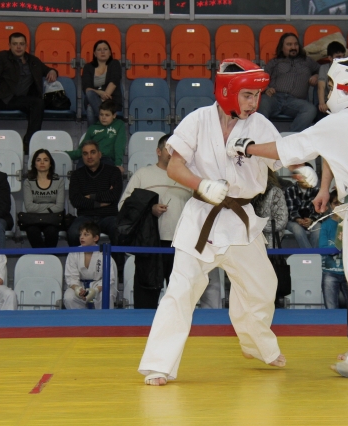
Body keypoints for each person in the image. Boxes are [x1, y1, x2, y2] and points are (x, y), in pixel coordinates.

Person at [227, 56, 348, 392]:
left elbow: (288, 149)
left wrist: (247, 147)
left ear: (345, 87)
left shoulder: (338, 123)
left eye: (332, 85)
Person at [138, 58, 306, 386]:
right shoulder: (197, 120)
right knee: (180, 290)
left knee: (263, 288)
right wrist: (202, 185)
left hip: (241, 220)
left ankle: (256, 345)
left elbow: (282, 155)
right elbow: (174, 166)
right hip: (202, 218)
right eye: (247, 95)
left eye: (257, 95)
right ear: (227, 91)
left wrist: (302, 171)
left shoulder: (259, 124)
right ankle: (159, 364)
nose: (253, 102)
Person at [118, 134, 192, 309]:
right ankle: (143, 327)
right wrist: (149, 209)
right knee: (145, 300)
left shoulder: (189, 176)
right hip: (149, 244)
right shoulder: (142, 174)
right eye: (169, 148)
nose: (173, 153)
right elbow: (124, 206)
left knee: (180, 300)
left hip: (180, 245)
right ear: (158, 151)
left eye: (177, 149)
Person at [0, 32, 58, 153]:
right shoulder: (0, 57)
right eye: (15, 44)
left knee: (38, 103)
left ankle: (29, 142)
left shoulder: (33, 61)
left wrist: (53, 71)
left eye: (21, 44)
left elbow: (47, 69)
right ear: (9, 45)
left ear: (26, 46)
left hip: (20, 99)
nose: (18, 47)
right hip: (1, 97)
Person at [257, 33, 320, 132]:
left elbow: (323, 71)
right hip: (274, 97)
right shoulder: (275, 62)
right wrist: (267, 88)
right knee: (262, 102)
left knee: (310, 110)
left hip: (295, 101)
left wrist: (317, 76)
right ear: (282, 48)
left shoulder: (308, 61)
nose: (293, 47)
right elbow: (261, 77)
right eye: (289, 44)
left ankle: (290, 136)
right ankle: (263, 135)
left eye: (296, 44)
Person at [67, 140, 123, 248]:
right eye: (85, 153)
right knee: (73, 233)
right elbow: (76, 200)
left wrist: (91, 197)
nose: (89, 156)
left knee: (119, 231)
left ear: (99, 154)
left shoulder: (113, 172)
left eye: (92, 152)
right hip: (85, 217)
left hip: (109, 216)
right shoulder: (76, 175)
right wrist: (100, 203)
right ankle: (78, 259)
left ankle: (116, 260)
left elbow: (114, 195)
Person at [63, 222, 117, 309]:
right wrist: (77, 289)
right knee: (69, 297)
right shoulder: (73, 253)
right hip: (80, 285)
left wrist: (96, 290)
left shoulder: (104, 254)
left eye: (86, 234)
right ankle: (78, 318)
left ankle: (104, 318)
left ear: (95, 238)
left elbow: (109, 278)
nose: (81, 237)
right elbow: (71, 276)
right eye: (80, 234)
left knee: (107, 295)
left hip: (99, 286)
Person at [65, 100, 126, 173]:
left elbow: (119, 146)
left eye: (107, 115)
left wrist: (118, 164)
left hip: (107, 158)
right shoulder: (92, 128)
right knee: (80, 168)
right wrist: (64, 154)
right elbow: (82, 149)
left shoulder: (119, 125)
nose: (103, 117)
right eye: (101, 114)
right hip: (90, 157)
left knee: (105, 169)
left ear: (114, 115)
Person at [22, 149, 65, 248]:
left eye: (45, 160)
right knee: (32, 230)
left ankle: (49, 256)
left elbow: (59, 207)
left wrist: (38, 207)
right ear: (34, 164)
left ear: (50, 164)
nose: (42, 162)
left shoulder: (59, 181)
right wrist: (51, 206)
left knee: (51, 231)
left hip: (53, 219)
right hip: (34, 219)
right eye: (38, 160)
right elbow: (29, 207)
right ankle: (41, 255)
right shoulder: (28, 182)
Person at [318, 190, 348, 310]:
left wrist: (335, 248)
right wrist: (339, 247)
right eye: (336, 203)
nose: (339, 206)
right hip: (329, 272)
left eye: (342, 203)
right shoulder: (326, 225)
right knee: (330, 310)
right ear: (331, 205)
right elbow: (322, 248)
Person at [82, 40, 122, 127]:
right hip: (93, 98)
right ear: (95, 54)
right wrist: (100, 93)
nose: (102, 52)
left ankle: (94, 132)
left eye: (105, 49)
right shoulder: (88, 67)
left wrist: (104, 97)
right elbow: (87, 88)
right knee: (90, 94)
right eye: (99, 50)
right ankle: (107, 126)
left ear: (110, 53)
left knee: (90, 108)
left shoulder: (115, 63)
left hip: (111, 100)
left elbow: (114, 82)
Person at [251, 169, 289, 249]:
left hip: (270, 240)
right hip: (253, 239)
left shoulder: (275, 191)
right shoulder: (249, 192)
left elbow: (281, 221)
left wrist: (258, 225)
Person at [284, 175, 322, 249]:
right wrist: (298, 219)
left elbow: (319, 210)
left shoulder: (317, 190)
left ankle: (310, 254)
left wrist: (311, 219)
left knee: (318, 229)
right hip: (293, 220)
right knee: (297, 230)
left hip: (312, 220)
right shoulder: (290, 190)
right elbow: (290, 209)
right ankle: (312, 255)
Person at [317, 41, 347, 114]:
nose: (342, 59)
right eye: (338, 57)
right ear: (330, 58)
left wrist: (330, 105)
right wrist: (322, 104)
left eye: (343, 56)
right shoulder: (324, 68)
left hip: (343, 102)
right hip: (327, 101)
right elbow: (321, 86)